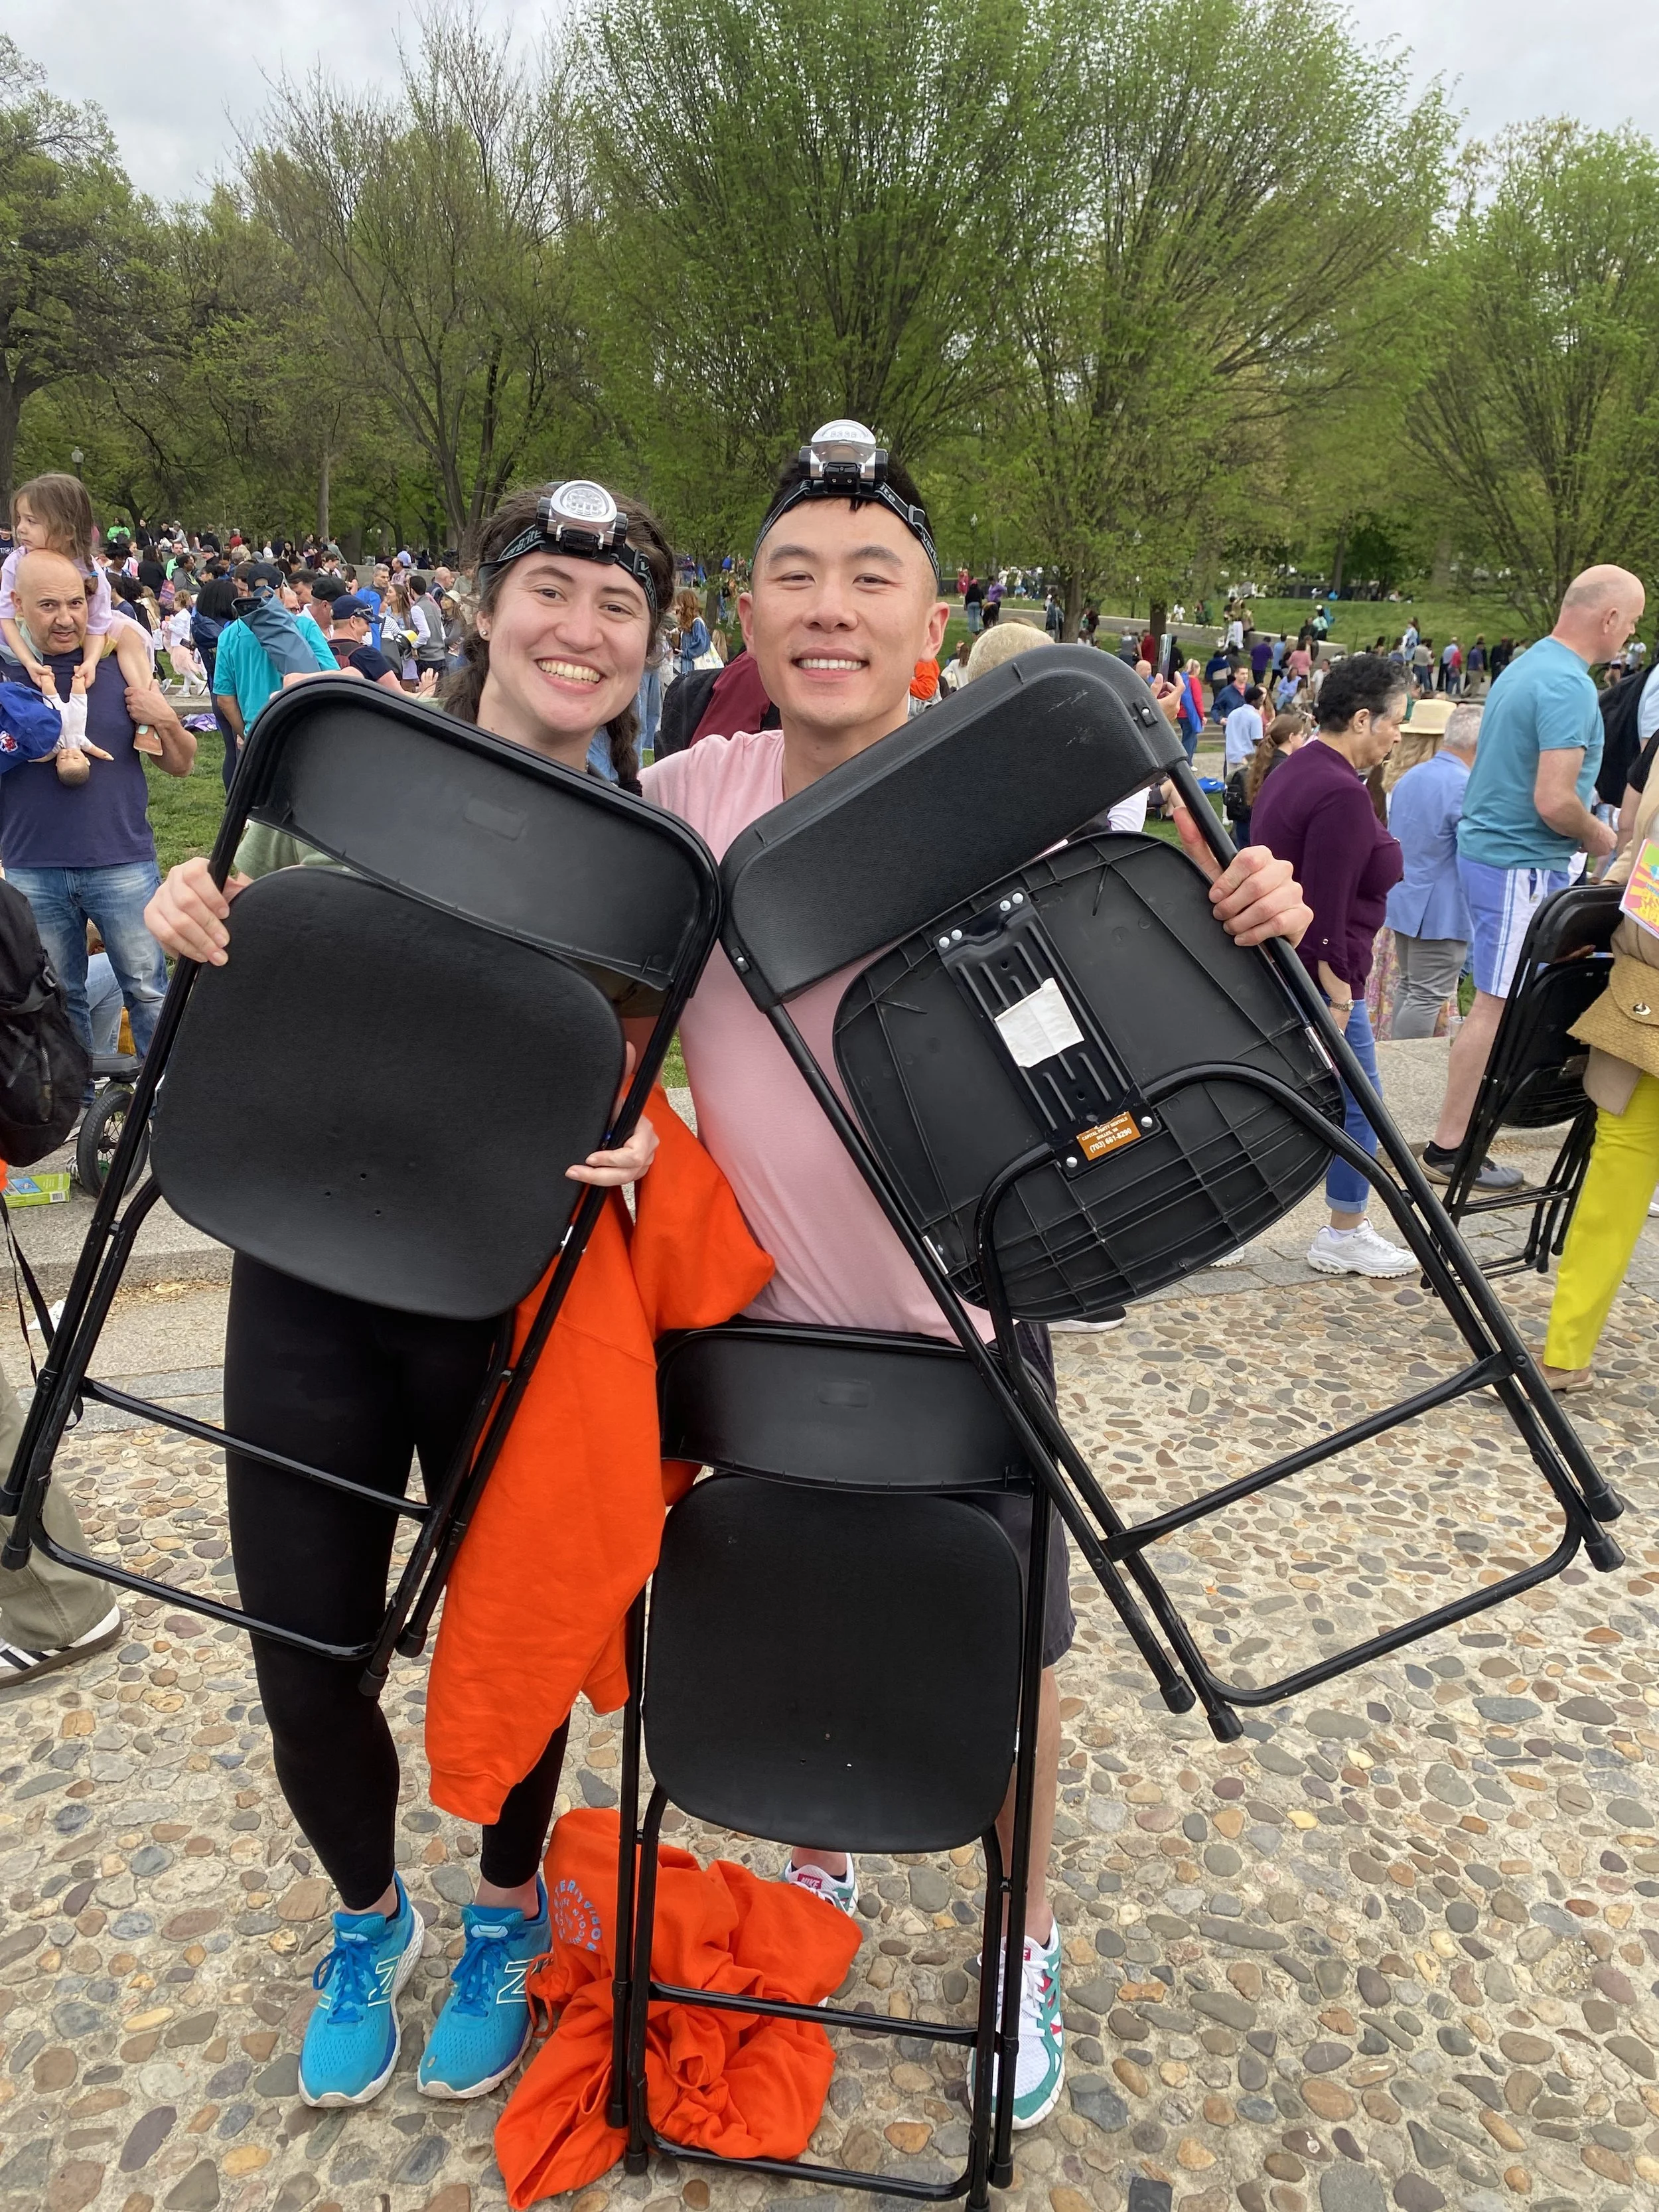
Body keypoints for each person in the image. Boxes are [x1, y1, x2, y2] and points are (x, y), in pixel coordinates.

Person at [639, 418, 1311, 2132]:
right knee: (794, 1613)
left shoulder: (1007, 790)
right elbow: (538, 945)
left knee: (1011, 1651)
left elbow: (1152, 969)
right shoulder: (685, 807)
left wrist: (1251, 904)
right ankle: (821, 1852)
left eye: (871, 575)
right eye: (795, 574)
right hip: (756, 1330)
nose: (831, 605)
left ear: (927, 618)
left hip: (975, 1318)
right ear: (746, 614)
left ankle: (1022, 1937)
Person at [142, 480, 691, 2112]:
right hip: (308, 1265)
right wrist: (190, 915)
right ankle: (369, 1916)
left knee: (511, 1618)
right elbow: (253, 959)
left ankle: (506, 1909)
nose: (578, 630)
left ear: (651, 644)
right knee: (305, 1647)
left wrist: (649, 1125)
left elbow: (655, 1061)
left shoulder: (647, 865)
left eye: (616, 606)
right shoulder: (348, 770)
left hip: (504, 1289)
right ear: (481, 604)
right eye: (549, 590)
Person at [1424, 567, 1644, 1185]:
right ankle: (1450, 1148)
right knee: (1497, 1004)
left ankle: (1460, 1139)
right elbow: (1554, 799)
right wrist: (1600, 835)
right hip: (1519, 859)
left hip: (1498, 854)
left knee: (1499, 999)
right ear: (1608, 618)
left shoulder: (1527, 667)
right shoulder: (1568, 685)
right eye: (1631, 622)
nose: (1630, 635)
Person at [1252, 653, 1415, 1278]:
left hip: (1282, 965)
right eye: (1396, 720)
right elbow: (1327, 908)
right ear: (1364, 718)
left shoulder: (1296, 769)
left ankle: (1242, 1225)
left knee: (1282, 1100)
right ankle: (1344, 1230)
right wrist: (1340, 996)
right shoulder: (1342, 791)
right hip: (1321, 976)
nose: (1398, 734)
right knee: (1360, 1102)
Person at [0, 552, 195, 1059]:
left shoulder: (121, 666)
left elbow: (181, 765)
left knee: (150, 993)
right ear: (18, 604)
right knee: (57, 1003)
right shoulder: (7, 675)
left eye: (75, 603)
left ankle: (158, 1094)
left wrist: (165, 718)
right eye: (48, 605)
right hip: (31, 867)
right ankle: (77, 1100)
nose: (66, 618)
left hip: (122, 863)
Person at [1537, 749, 1659, 1391]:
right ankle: (1566, 1351)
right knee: (1614, 1168)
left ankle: (1566, 1352)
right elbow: (1637, 845)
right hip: (1644, 994)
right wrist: (1591, 911)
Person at [0, 477, 156, 783]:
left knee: (129, 634)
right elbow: (5, 616)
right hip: (23, 627)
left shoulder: (89, 569)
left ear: (67, 529)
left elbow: (98, 623)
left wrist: (91, 661)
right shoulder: (17, 563)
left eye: (31, 521)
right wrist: (29, 662)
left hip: (84, 632)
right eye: (19, 520)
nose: (20, 529)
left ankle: (146, 711)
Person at [1384, 703, 1480, 1041]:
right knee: (1425, 995)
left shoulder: (1412, 776)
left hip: (1407, 897)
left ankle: (1397, 1059)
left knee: (1412, 988)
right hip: (1440, 909)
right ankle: (1406, 1063)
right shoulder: (1464, 785)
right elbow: (1476, 851)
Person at [212, 565, 336, 767]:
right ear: (281, 592)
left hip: (258, 735)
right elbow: (334, 677)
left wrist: (247, 734)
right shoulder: (304, 627)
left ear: (248, 592)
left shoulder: (229, 636)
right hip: (302, 733)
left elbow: (225, 700)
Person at [1229, 709, 1308, 846]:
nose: (1303, 740)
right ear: (1291, 737)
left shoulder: (1264, 760)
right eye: (1301, 735)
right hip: (1269, 835)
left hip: (1249, 828)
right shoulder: (1287, 767)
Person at [325, 594, 403, 690]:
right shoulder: (368, 656)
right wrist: (421, 693)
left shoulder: (320, 653)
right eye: (367, 623)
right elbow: (399, 695)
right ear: (353, 622)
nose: (369, 629)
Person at [672, 588, 711, 675]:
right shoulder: (687, 624)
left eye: (680, 604)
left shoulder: (697, 623)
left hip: (694, 668)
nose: (678, 607)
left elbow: (701, 645)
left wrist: (685, 653)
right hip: (685, 666)